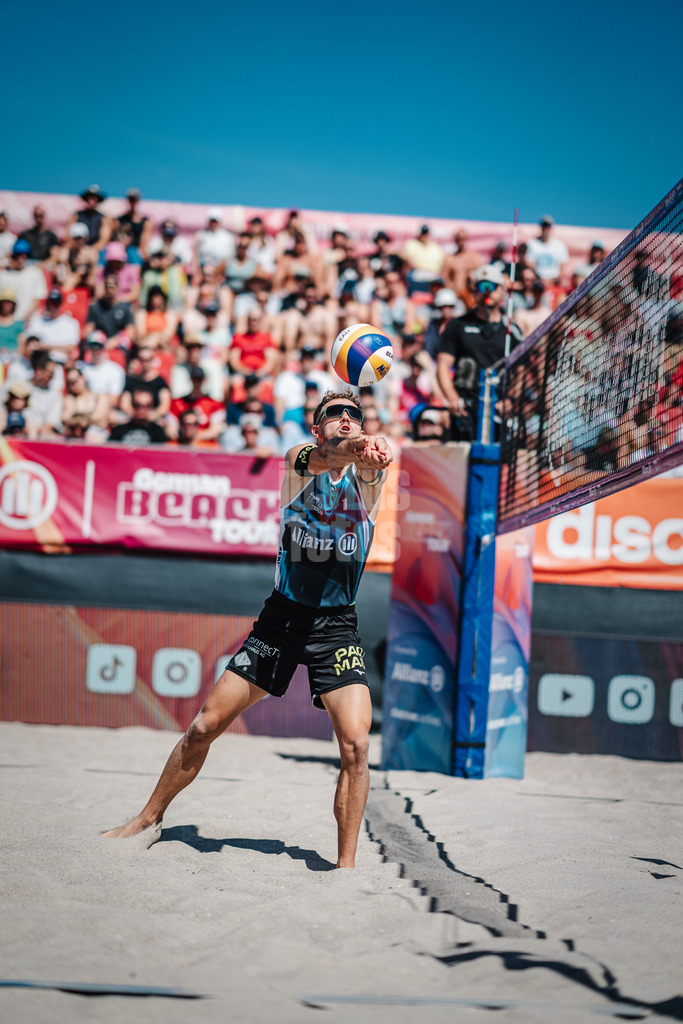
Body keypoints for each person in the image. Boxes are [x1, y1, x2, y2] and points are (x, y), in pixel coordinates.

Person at [103, 390, 392, 869]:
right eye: (334, 414)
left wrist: (378, 446)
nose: (345, 418)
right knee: (204, 726)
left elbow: (373, 458)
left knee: (358, 746)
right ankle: (148, 819)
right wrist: (361, 444)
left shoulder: (368, 478)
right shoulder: (299, 463)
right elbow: (328, 456)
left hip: (336, 627)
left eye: (353, 414)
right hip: (282, 620)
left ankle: (346, 869)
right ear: (316, 427)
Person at [436, 264, 523, 441]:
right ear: (474, 290)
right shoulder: (457, 325)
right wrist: (452, 398)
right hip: (465, 409)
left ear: (502, 290)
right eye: (482, 286)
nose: (487, 292)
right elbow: (443, 366)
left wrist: (510, 400)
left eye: (492, 286)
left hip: (497, 411)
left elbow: (520, 371)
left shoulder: (511, 331)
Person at [0, 240, 47, 322]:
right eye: (17, 256)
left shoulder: (35, 273)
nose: (20, 260)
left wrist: (25, 317)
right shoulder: (4, 275)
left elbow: (37, 300)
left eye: (23, 257)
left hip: (30, 319)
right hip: (9, 321)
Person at [442, 229, 484, 307]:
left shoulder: (474, 257)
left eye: (462, 239)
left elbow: (482, 276)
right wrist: (452, 288)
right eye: (458, 239)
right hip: (455, 296)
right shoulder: (450, 259)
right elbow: (444, 278)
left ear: (466, 239)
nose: (460, 242)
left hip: (471, 298)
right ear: (455, 240)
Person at [525, 216, 569, 285]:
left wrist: (553, 281)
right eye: (544, 226)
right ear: (541, 227)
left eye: (548, 226)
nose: (546, 229)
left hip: (554, 282)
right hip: (537, 282)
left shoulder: (560, 245)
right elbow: (529, 265)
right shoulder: (531, 243)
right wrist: (540, 280)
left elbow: (562, 268)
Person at [68, 185, 111, 250]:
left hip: (96, 250)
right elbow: (69, 236)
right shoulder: (76, 216)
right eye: (89, 198)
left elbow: (104, 240)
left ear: (97, 200)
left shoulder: (104, 218)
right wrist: (77, 248)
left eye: (94, 198)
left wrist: (92, 249)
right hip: (77, 249)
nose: (91, 201)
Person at [117, 188, 152, 259]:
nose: (133, 202)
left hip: (136, 251)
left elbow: (144, 243)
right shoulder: (119, 220)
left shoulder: (146, 221)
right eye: (131, 199)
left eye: (134, 199)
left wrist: (141, 252)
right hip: (120, 249)